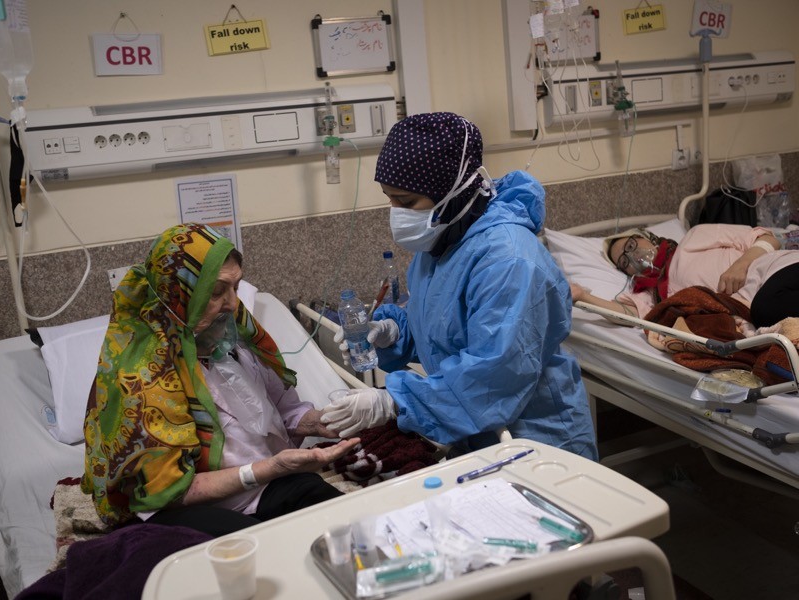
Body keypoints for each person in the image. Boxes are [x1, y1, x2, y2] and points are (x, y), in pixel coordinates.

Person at [322, 112, 597, 460]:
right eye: (388, 198)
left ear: (454, 193)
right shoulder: (441, 241)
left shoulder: (509, 261)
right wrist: (393, 332)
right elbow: (446, 328)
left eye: (406, 202)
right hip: (475, 433)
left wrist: (395, 401)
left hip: (537, 439)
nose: (396, 213)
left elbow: (495, 372)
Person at [81, 223, 359, 536]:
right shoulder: (142, 380)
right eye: (216, 292)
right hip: (186, 508)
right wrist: (267, 468)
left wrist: (322, 421)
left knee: (341, 516)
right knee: (249, 548)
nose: (232, 303)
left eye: (236, 288)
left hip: (263, 486)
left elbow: (283, 411)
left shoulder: (237, 343)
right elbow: (168, 492)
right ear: (179, 296)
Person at [570, 223, 799, 328]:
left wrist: (741, 264)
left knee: (765, 308)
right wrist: (582, 296)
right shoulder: (656, 298)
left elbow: (769, 239)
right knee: (765, 312)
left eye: (631, 245)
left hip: (777, 269)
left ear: (646, 237)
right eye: (624, 261)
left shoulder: (694, 237)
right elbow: (628, 314)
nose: (632, 257)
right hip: (757, 305)